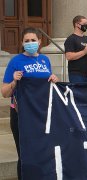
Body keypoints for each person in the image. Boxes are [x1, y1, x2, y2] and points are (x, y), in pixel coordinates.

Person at [1, 27, 59, 180]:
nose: (30, 43)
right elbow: (5, 93)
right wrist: (14, 81)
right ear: (22, 43)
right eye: (27, 41)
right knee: (25, 154)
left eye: (33, 40)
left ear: (40, 42)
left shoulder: (45, 60)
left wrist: (54, 79)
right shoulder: (16, 61)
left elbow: (47, 87)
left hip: (41, 115)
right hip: (21, 115)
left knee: (42, 152)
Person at [64, 15, 87, 83]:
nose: (86, 26)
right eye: (84, 24)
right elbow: (69, 56)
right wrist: (84, 52)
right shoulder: (71, 39)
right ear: (77, 24)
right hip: (77, 75)